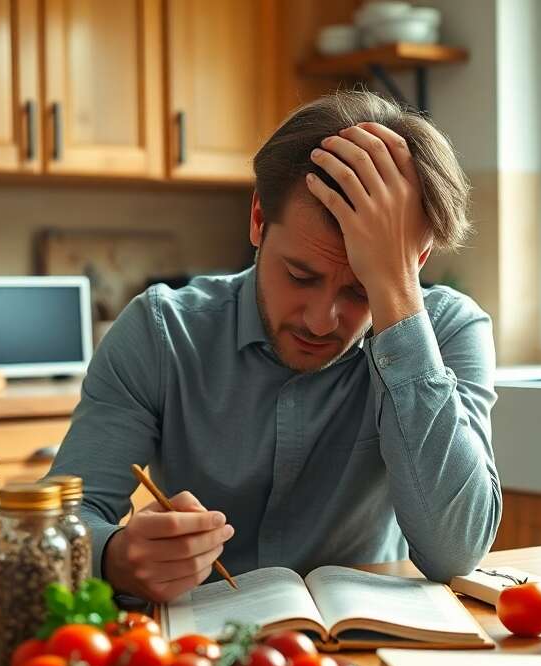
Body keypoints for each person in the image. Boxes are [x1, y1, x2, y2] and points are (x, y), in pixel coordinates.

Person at [47, 90, 500, 603]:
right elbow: (60, 517)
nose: (320, 319)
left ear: (414, 263)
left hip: (366, 651)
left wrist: (395, 299)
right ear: (259, 218)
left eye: (359, 289)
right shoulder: (161, 332)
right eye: (300, 275)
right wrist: (115, 556)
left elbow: (455, 551)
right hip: (197, 654)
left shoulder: (446, 331)